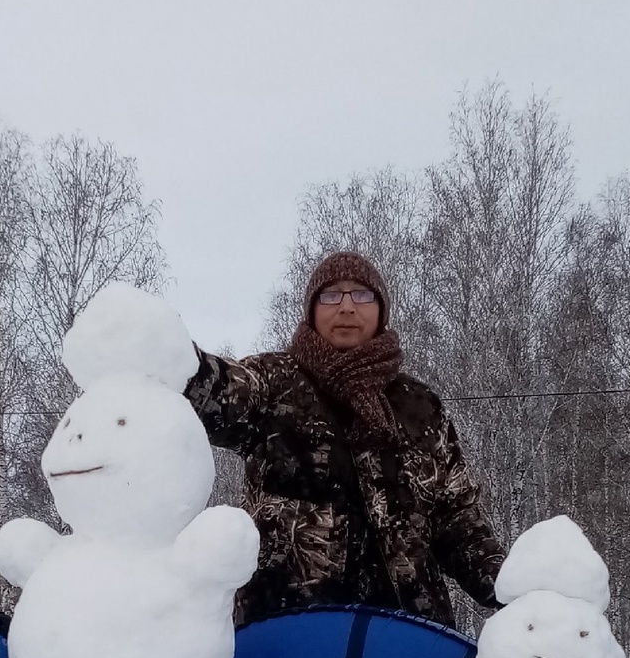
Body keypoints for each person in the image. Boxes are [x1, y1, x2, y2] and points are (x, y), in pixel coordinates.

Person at [185, 249, 505, 627]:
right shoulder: (274, 384)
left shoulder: (419, 406)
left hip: (408, 637)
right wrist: (164, 351)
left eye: (362, 294)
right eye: (331, 295)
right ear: (312, 309)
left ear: (381, 310)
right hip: (284, 632)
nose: (348, 307)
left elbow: (458, 521)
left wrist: (516, 592)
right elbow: (214, 389)